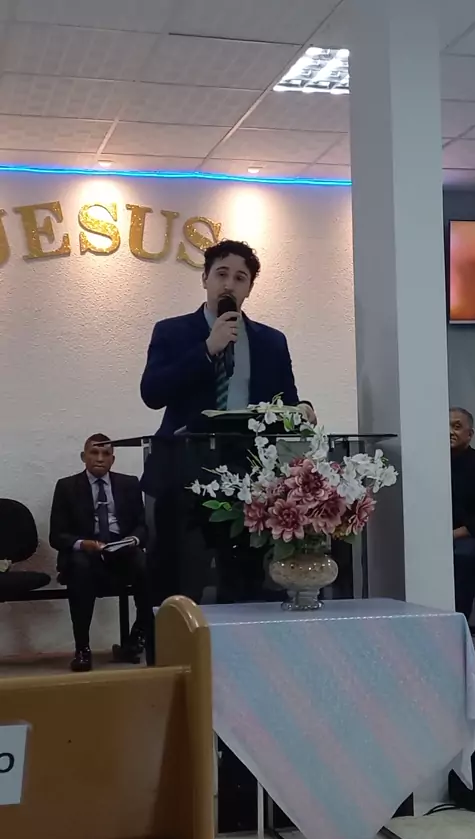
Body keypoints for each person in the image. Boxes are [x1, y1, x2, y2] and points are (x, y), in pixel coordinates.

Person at [141, 239, 314, 604]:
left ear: (249, 288)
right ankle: (173, 639)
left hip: (249, 476)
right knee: (178, 578)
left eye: (240, 278)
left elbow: (286, 400)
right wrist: (208, 349)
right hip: (184, 473)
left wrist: (303, 408)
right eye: (221, 274)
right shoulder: (171, 331)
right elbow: (152, 393)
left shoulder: (271, 341)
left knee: (245, 580)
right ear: (205, 279)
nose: (229, 284)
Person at [49, 434, 151, 672]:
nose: (100, 458)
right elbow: (57, 535)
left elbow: (142, 525)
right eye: (94, 453)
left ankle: (138, 636)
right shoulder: (67, 487)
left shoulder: (129, 484)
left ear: (113, 459)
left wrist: (133, 540)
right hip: (85, 551)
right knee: (80, 567)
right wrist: (83, 543)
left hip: (120, 548)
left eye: (106, 454)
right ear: (83, 457)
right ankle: (82, 648)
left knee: (145, 563)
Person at [450, 407, 475, 620]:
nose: (449, 431)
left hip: (469, 536)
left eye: (457, 426)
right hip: (439, 536)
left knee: (463, 555)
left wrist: (453, 534)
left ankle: (460, 623)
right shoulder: (431, 464)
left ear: (470, 434)